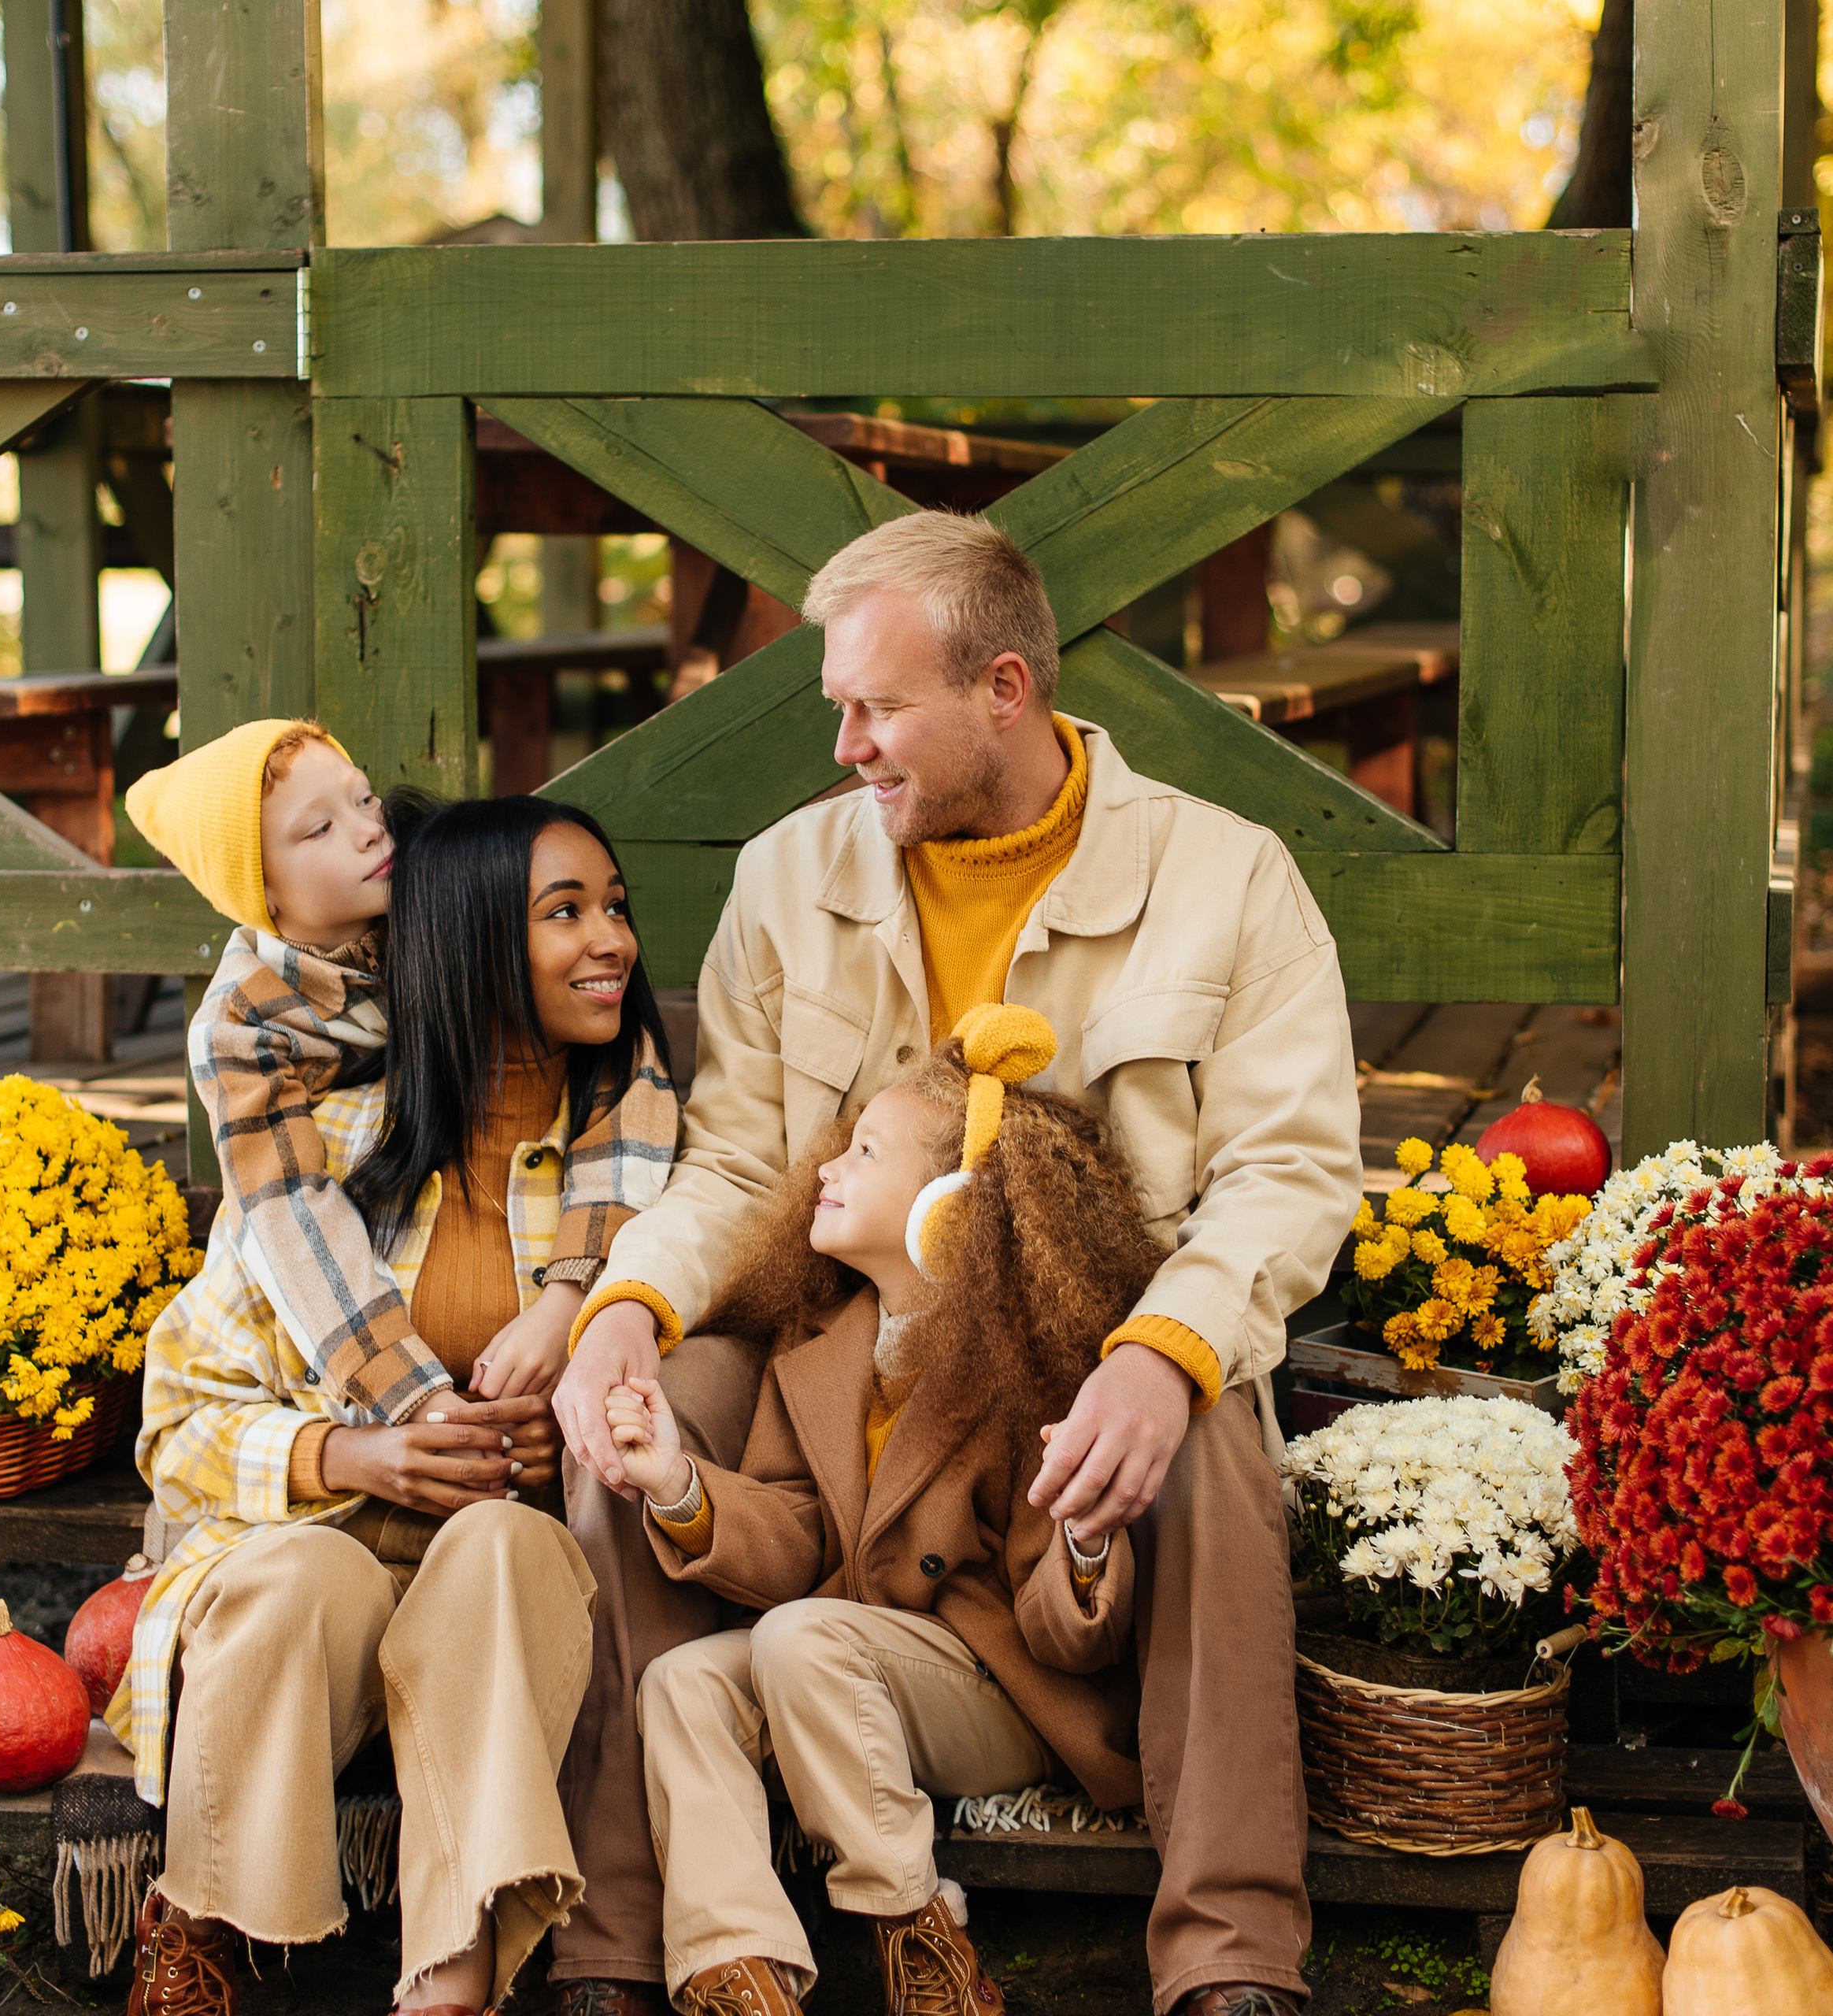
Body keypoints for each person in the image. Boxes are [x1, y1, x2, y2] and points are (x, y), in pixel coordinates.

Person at [550, 511, 1361, 2016]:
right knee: (626, 1424)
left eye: (875, 707)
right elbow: (737, 1164)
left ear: (1004, 687)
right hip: (846, 1340)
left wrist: (1158, 1353)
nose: (846, 745)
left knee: (1215, 1440)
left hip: (1096, 1352)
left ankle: (1231, 1956)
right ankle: (621, 1949)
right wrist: (626, 1309)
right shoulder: (791, 879)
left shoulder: (1226, 879)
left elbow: (1289, 1176)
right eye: (836, 710)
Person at [109, 796, 676, 2016]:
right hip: (323, 1579)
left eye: (616, 906)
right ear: (471, 943)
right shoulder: (323, 1161)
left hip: (503, 1608)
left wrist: (555, 1446)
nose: (612, 941)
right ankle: (200, 1927)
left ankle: (446, 1985)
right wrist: (351, 1455)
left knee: (502, 1551)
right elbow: (176, 1431)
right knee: (299, 1580)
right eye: (563, 914)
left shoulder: (638, 1176)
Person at [609, 1008, 1155, 2016]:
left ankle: (924, 1946)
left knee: (803, 1637)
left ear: (953, 1205)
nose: (828, 1166)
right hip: (835, 1670)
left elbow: (1063, 1635)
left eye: (866, 1151)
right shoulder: (817, 1347)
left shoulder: (1028, 1366)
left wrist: (1083, 1542)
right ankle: (741, 1973)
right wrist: (677, 1483)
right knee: (682, 1683)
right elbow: (794, 1541)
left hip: (993, 1691)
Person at [126, 721, 677, 1427]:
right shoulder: (238, 1026)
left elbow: (633, 1085)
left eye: (363, 800)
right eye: (318, 829)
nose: (366, 832)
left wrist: (571, 1293)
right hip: (320, 1202)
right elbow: (292, 1216)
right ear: (263, 894)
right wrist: (407, 1395)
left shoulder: (411, 904)